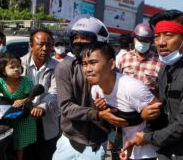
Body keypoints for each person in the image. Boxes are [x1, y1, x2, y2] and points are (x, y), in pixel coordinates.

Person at [121, 9, 183, 159]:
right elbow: (164, 116)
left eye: (169, 35)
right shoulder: (164, 70)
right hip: (168, 153)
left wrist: (145, 138)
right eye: (157, 36)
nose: (161, 42)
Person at [52, 15, 127, 160]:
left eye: (84, 37)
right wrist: (97, 113)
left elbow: (122, 106)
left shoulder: (112, 71)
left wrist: (109, 106)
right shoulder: (65, 67)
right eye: (75, 38)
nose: (78, 42)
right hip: (69, 142)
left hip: (96, 145)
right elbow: (66, 107)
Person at [81, 42, 161, 160]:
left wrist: (145, 116)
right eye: (84, 64)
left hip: (147, 153)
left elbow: (161, 117)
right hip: (121, 149)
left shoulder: (132, 88)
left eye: (93, 63)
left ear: (112, 64)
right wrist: (103, 112)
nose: (88, 69)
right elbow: (108, 126)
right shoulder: (96, 91)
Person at [0, 54, 36, 160]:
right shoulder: (0, 81)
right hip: (7, 114)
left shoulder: (26, 81)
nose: (16, 69)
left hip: (23, 115)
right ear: (3, 70)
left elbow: (31, 97)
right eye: (12, 67)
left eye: (18, 66)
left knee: (19, 142)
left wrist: (23, 101)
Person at [22, 29, 59, 160]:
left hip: (46, 122)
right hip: (23, 120)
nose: (45, 48)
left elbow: (54, 92)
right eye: (41, 44)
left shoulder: (57, 67)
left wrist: (42, 107)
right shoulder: (19, 64)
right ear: (31, 45)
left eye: (48, 45)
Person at [118, 23, 161, 97]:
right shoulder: (124, 58)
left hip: (149, 106)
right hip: (126, 105)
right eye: (140, 40)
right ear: (134, 39)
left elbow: (161, 90)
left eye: (146, 41)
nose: (142, 43)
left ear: (151, 42)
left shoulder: (159, 62)